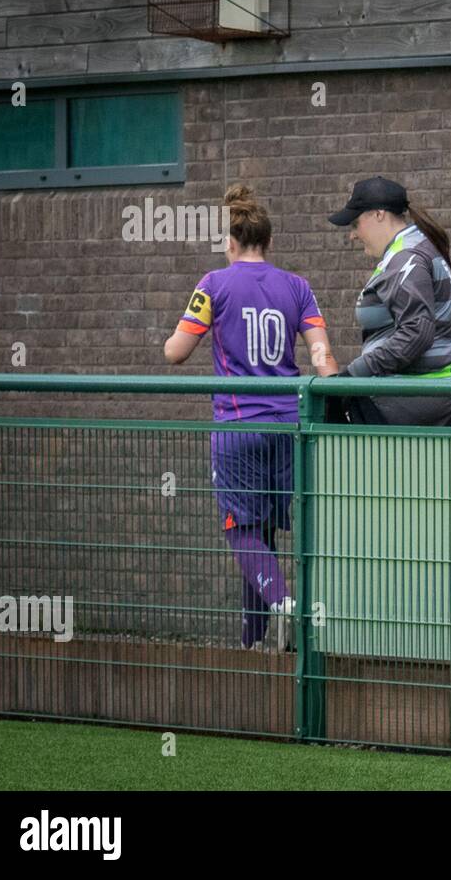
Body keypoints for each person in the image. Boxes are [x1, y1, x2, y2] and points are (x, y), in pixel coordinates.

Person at [164, 184, 338, 651]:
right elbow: (323, 359)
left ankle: (283, 606)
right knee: (262, 535)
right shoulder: (298, 287)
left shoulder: (213, 284)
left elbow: (175, 352)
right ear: (270, 243)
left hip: (238, 427)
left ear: (231, 242)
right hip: (290, 426)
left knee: (241, 531)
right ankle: (252, 642)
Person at [327, 177, 451, 426]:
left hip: (423, 391)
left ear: (378, 215)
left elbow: (417, 331)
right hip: (448, 387)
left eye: (355, 223)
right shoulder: (421, 246)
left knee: (333, 422)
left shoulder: (404, 258)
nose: (353, 235)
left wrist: (355, 372)